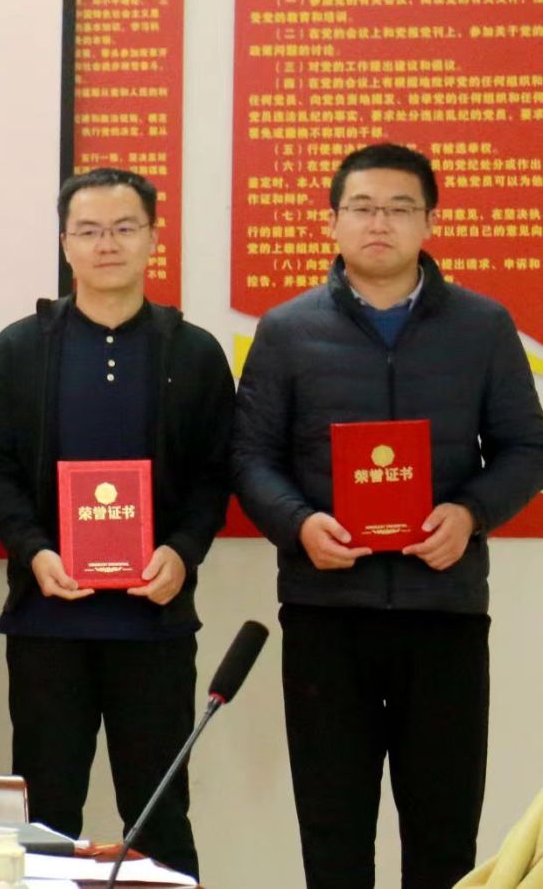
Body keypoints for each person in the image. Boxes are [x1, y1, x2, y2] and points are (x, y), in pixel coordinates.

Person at [233, 142, 543, 889]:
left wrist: (469, 514)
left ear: (429, 222)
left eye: (401, 208)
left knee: (443, 832)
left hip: (445, 613)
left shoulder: (482, 325)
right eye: (363, 208)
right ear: (333, 221)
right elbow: (250, 457)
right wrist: (300, 524)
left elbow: (526, 448)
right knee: (332, 830)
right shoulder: (286, 330)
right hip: (325, 613)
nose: (381, 223)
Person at [0, 168, 231, 878]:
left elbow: (214, 474)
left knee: (160, 816)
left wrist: (182, 551)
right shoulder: (21, 348)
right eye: (88, 231)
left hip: (155, 623)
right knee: (46, 818)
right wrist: (33, 550)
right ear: (64, 243)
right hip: (48, 620)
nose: (106, 244)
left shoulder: (194, 352)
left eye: (123, 228)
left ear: (153, 238)